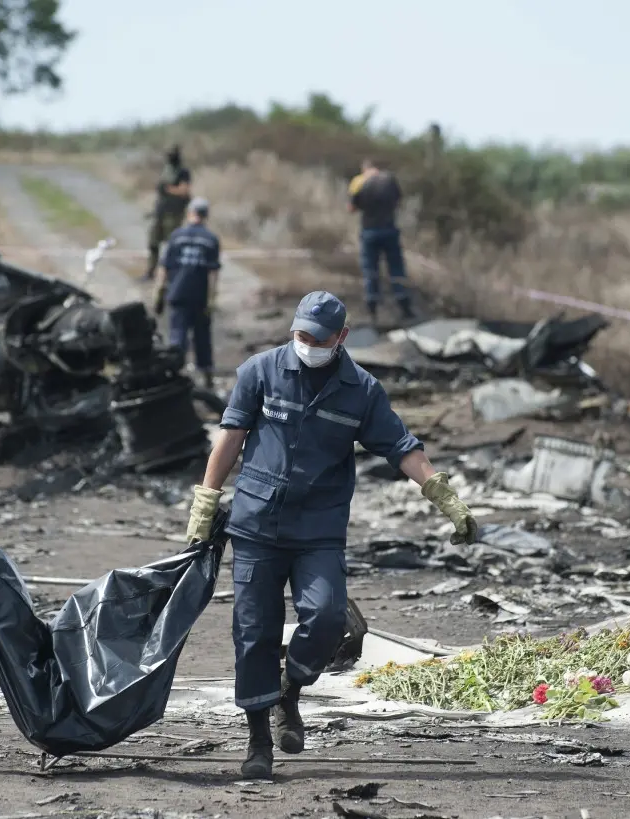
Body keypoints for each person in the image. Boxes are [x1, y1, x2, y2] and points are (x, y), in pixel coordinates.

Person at [184, 291, 477, 779]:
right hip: (256, 525)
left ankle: (289, 693)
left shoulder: (361, 390)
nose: (308, 344)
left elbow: (401, 446)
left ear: (341, 337)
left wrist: (443, 496)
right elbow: (230, 439)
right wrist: (205, 503)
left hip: (318, 529)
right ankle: (258, 741)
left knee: (324, 618)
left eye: (319, 338)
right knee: (253, 632)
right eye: (301, 335)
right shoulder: (259, 371)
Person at [152, 197, 221, 388]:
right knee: (202, 338)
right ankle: (207, 378)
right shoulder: (211, 239)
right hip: (199, 296)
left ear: (190, 213)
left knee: (177, 337)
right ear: (206, 215)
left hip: (177, 293)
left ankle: (174, 376)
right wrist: (212, 299)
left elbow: (164, 267)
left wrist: (158, 293)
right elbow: (212, 273)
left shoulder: (176, 236)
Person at [348, 158, 414, 321]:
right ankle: (404, 306)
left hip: (369, 231)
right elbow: (398, 201)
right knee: (396, 268)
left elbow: (352, 208)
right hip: (389, 229)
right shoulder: (389, 180)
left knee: (371, 270)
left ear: (364, 169)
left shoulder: (359, 182)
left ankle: (372, 309)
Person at [143, 145, 192, 281]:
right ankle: (151, 271)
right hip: (161, 211)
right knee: (153, 242)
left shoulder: (183, 172)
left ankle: (172, 273)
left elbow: (183, 191)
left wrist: (168, 189)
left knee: (173, 244)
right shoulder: (167, 170)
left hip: (174, 213)